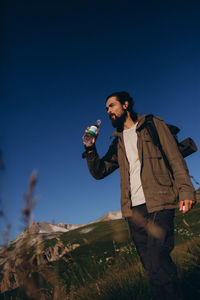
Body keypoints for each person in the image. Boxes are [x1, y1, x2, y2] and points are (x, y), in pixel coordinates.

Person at [82, 91, 195, 299]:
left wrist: (186, 189)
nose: (108, 111)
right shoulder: (118, 141)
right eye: (106, 109)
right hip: (133, 210)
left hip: (160, 200)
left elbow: (175, 157)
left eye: (111, 106)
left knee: (157, 257)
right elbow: (100, 172)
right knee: (151, 266)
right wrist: (90, 149)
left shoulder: (152, 124)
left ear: (125, 105)